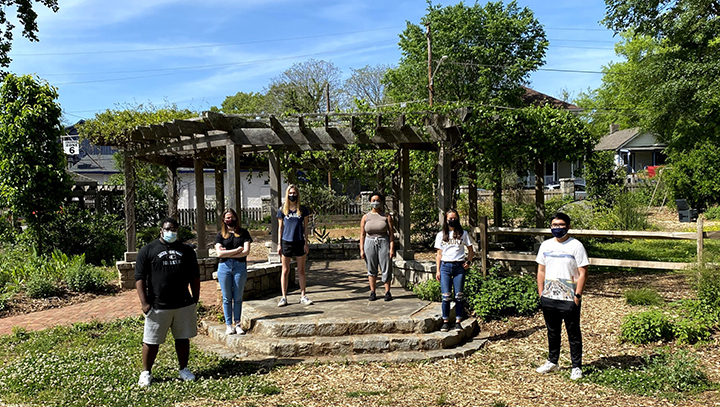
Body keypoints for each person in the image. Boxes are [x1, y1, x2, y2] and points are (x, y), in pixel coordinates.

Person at [135, 217, 200, 387]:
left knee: (183, 338)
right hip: (158, 305)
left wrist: (195, 298)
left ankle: (183, 369)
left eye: (174, 229)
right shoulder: (148, 250)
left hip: (183, 304)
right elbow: (139, 278)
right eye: (168, 229)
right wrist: (144, 303)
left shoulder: (187, 251)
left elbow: (195, 275)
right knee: (151, 340)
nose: (171, 232)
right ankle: (146, 372)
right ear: (161, 230)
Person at [535, 212, 589, 381]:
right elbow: (541, 270)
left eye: (560, 225)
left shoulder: (576, 246)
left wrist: (577, 295)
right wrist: (541, 292)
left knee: (573, 333)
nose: (557, 228)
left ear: (568, 226)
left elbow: (583, 272)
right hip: (549, 296)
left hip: (569, 297)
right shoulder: (545, 245)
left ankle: (576, 366)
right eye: (554, 225)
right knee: (552, 331)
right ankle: (552, 361)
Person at [434, 210, 474, 332]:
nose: (452, 220)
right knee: (446, 296)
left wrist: (468, 262)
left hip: (459, 267)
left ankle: (458, 321)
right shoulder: (441, 235)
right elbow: (439, 254)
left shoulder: (463, 234)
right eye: (450, 218)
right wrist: (438, 270)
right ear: (446, 220)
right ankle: (445, 321)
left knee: (459, 296)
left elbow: (471, 250)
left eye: (454, 218)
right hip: (445, 267)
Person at [215, 209, 252, 335]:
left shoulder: (244, 233)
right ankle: (228, 324)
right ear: (223, 220)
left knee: (237, 297)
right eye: (227, 218)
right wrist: (237, 251)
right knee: (226, 298)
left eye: (231, 217)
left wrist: (228, 253)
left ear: (236, 218)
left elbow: (246, 251)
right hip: (224, 267)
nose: (229, 220)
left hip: (239, 267)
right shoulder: (220, 235)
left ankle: (237, 323)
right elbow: (219, 253)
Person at [276, 184, 312, 307]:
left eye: (294, 193)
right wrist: (279, 244)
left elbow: (305, 227)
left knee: (301, 270)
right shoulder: (282, 210)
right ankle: (284, 297)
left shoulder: (302, 210)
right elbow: (280, 228)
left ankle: (303, 295)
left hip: (299, 241)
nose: (292, 195)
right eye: (290, 193)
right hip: (286, 242)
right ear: (287, 195)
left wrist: (306, 242)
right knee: (285, 270)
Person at [359, 192, 395, 301]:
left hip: (383, 241)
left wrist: (392, 248)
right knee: (371, 268)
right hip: (369, 242)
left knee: (386, 267)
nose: (376, 203)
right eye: (373, 200)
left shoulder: (386, 216)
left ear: (382, 202)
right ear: (370, 202)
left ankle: (387, 292)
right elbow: (362, 234)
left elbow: (391, 234)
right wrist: (361, 249)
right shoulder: (365, 217)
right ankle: (372, 291)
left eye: (378, 200)